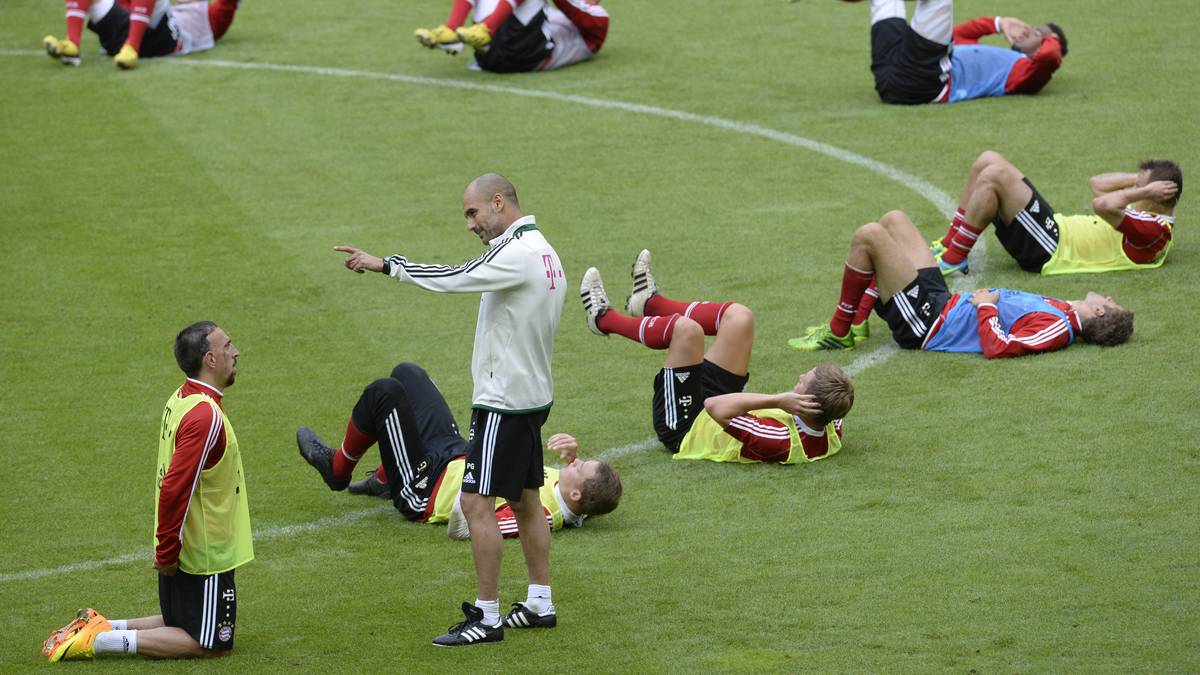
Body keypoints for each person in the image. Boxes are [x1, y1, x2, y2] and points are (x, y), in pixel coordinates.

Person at [333, 173, 565, 647]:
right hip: (531, 396)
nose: (470, 224)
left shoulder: (514, 253)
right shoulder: (545, 250)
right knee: (524, 499)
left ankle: (487, 616)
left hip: (504, 402)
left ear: (498, 203)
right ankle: (540, 601)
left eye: (473, 213)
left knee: (475, 502)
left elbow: (455, 278)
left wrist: (387, 265)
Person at [41, 322, 252, 661]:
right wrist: (168, 554)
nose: (236, 351)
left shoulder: (182, 398)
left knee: (178, 621)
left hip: (189, 545)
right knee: (211, 643)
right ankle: (97, 643)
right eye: (228, 346)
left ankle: (101, 626)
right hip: (203, 554)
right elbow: (175, 489)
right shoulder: (204, 415)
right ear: (210, 359)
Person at [297, 362, 621, 545]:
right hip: (455, 457)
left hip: (427, 490)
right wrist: (569, 459)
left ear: (576, 492)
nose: (577, 460)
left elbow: (479, 525)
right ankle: (385, 478)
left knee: (385, 394)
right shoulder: (570, 496)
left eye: (580, 466)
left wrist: (467, 501)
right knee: (408, 374)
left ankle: (338, 470)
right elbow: (579, 498)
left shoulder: (547, 515)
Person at [579, 250, 854, 462]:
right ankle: (650, 304)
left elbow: (713, 406)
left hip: (688, 425)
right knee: (740, 318)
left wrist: (778, 400)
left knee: (687, 331)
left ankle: (602, 319)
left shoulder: (781, 440)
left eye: (803, 382)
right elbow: (837, 405)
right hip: (725, 404)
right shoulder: (830, 424)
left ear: (805, 403)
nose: (800, 376)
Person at [788, 211, 1135, 358]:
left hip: (929, 324)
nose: (1107, 295)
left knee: (870, 236)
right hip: (944, 301)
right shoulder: (1063, 310)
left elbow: (1001, 349)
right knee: (894, 220)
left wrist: (986, 304)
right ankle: (858, 323)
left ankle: (838, 330)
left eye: (1110, 301)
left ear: (1100, 311)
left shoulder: (1059, 329)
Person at [933, 151, 1182, 276]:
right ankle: (949, 244)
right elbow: (1098, 183)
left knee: (994, 177)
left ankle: (954, 259)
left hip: (1050, 251)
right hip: (1052, 230)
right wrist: (1140, 183)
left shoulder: (1154, 231)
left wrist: (1141, 190)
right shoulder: (1144, 204)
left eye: (1142, 189)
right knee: (988, 159)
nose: (1133, 189)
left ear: (1158, 199)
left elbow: (1102, 205)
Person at [864, 0, 1064, 104]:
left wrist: (1053, 37)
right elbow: (956, 34)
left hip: (921, 84)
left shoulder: (1023, 73)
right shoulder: (997, 55)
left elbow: (1050, 57)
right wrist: (998, 23)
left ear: (1043, 46)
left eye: (1037, 33)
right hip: (889, 72)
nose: (1028, 31)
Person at [414, 0, 608, 73]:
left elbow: (583, 15)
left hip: (529, 57)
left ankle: (485, 29)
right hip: (491, 56)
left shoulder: (598, 15)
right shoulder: (549, 13)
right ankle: (451, 30)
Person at [43, 0, 239, 69]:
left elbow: (228, 5)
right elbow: (127, 9)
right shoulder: (162, 8)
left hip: (165, 41)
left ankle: (132, 47)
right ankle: (72, 45)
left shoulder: (210, 16)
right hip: (124, 37)